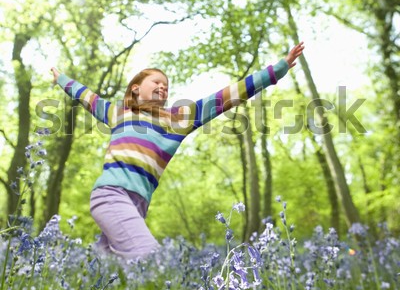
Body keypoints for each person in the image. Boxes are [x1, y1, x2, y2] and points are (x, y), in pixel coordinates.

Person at [51, 41, 304, 261]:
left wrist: (278, 69)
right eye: (157, 81)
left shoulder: (177, 120)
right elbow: (86, 96)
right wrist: (61, 79)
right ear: (136, 88)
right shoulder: (118, 113)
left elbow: (225, 97)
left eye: (167, 85)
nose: (163, 87)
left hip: (138, 204)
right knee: (150, 261)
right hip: (110, 195)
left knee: (107, 271)